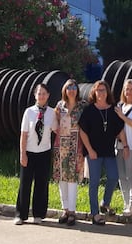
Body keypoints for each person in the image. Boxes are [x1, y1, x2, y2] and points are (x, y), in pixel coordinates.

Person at [78, 80, 129, 225]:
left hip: (108, 152)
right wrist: (90, 150)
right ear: (94, 92)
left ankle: (105, 203)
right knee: (94, 182)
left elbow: (120, 130)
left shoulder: (112, 110)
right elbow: (82, 131)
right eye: (98, 90)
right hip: (93, 152)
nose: (101, 93)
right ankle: (95, 214)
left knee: (113, 177)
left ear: (108, 92)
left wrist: (125, 146)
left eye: (104, 90)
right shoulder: (89, 110)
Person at [14, 83, 58, 225]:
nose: (41, 96)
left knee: (41, 183)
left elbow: (58, 130)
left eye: (44, 93)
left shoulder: (52, 113)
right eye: (39, 93)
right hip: (29, 152)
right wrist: (23, 154)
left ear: (48, 95)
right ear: (35, 95)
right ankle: (21, 214)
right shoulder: (29, 112)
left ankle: (38, 214)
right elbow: (23, 134)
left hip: (44, 153)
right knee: (25, 183)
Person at [52, 79, 87, 226]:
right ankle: (65, 209)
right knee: (62, 178)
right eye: (68, 87)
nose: (71, 90)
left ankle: (72, 211)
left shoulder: (83, 106)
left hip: (76, 145)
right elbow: (54, 122)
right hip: (61, 145)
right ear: (64, 90)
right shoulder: (60, 106)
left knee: (72, 178)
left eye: (74, 87)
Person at [114, 79, 132, 217]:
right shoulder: (120, 106)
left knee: (130, 175)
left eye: (131, 89)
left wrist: (121, 116)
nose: (128, 92)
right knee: (121, 176)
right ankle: (126, 204)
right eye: (126, 89)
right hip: (119, 146)